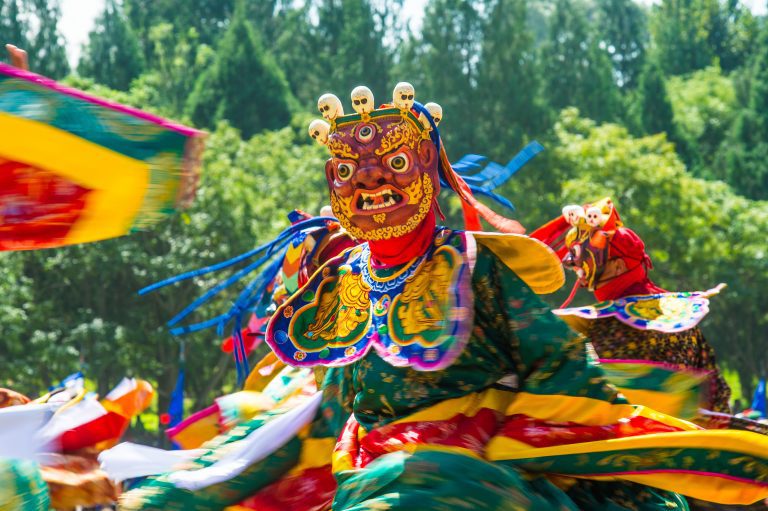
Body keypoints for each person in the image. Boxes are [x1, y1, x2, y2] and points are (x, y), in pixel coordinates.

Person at [115, 83, 768, 511]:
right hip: (365, 479)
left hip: (485, 479)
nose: (368, 179)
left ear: (428, 167)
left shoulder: (482, 271)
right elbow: (323, 414)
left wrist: (616, 450)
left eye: (392, 163)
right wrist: (194, 482)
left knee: (424, 487)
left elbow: (569, 378)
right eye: (347, 170)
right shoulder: (340, 285)